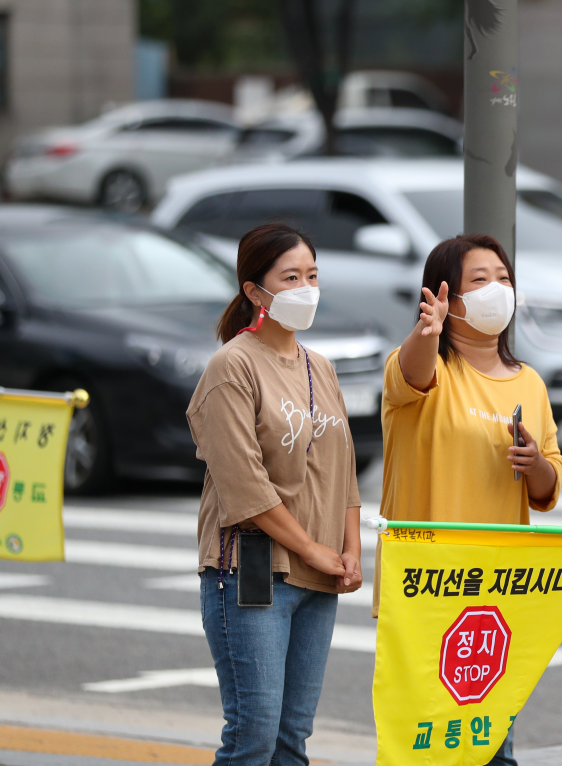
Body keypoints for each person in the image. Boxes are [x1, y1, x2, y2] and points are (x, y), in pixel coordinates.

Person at [379, 233, 562, 766]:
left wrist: (537, 468)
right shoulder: (424, 367)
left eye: (503, 278)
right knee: (425, 741)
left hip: (495, 590)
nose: (497, 290)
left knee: (487, 742)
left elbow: (548, 486)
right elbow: (415, 372)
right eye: (479, 280)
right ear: (445, 298)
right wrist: (425, 332)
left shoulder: (529, 382)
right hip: (427, 583)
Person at [187, 223, 363, 766]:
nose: (305, 287)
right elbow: (245, 485)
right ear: (253, 291)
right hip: (252, 570)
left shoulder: (321, 367)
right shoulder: (231, 368)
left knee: (292, 740)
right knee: (253, 738)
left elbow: (345, 474)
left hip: (320, 575)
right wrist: (311, 549)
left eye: (312, 275)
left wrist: (350, 550)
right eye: (290, 277)